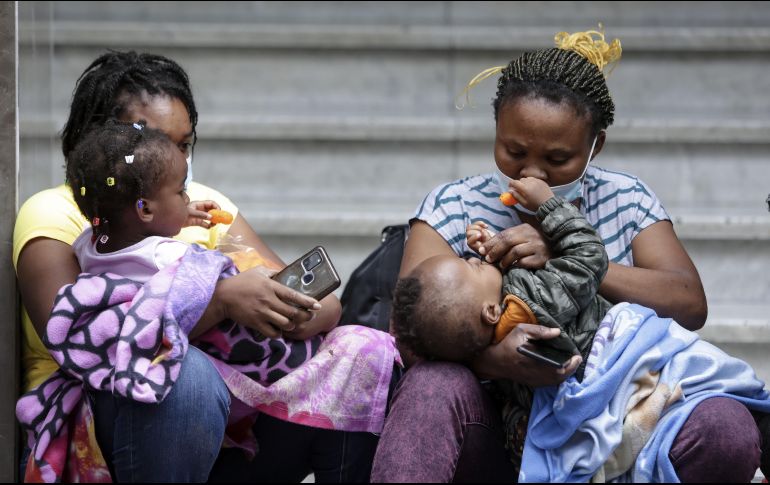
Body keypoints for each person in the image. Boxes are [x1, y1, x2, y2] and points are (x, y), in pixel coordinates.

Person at [371, 28, 762, 482]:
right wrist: (494, 360)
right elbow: (407, 335)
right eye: (514, 151)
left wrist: (567, 256)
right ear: (496, 130)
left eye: (558, 159)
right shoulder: (453, 206)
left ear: (596, 145)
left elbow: (689, 303)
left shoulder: (627, 199)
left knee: (725, 428)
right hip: (499, 431)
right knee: (432, 386)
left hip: (621, 428)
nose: (532, 172)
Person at [13, 51, 378, 482]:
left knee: (360, 353)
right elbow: (82, 345)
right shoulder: (57, 214)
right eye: (153, 141)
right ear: (103, 141)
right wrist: (220, 303)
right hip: (106, 426)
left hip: (232, 424)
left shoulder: (202, 206)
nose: (175, 160)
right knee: (185, 377)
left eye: (183, 144)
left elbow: (322, 305)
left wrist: (284, 310)